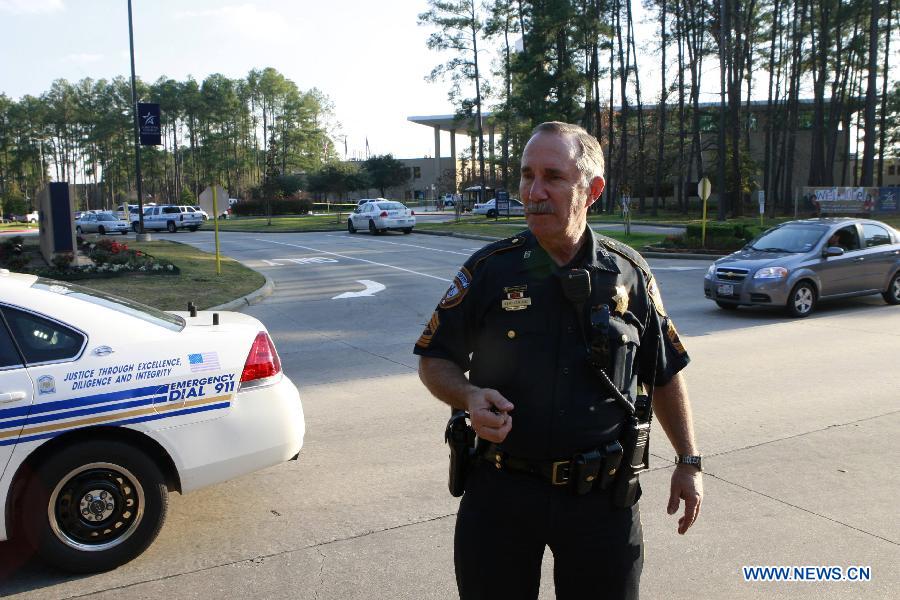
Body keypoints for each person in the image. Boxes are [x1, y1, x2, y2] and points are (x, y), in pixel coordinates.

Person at [414, 122, 702, 600]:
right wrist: (467, 396)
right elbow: (434, 359)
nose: (533, 191)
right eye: (527, 175)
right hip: (500, 494)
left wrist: (689, 462)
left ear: (592, 191)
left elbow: (664, 373)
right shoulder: (489, 270)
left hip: (601, 502)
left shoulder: (627, 274)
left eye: (552, 176)